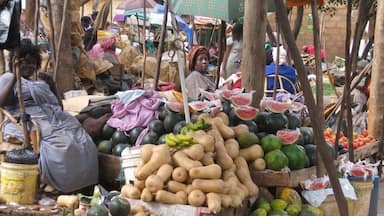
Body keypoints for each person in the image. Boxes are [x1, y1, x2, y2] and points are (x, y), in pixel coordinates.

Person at [0, 39, 98, 193]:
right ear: (16, 62)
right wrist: (15, 77)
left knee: (83, 140)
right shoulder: (7, 78)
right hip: (28, 120)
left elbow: (59, 106)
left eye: (32, 63)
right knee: (64, 144)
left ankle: (84, 183)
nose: (29, 66)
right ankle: (64, 184)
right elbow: (1, 102)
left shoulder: (39, 82)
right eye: (25, 62)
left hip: (56, 118)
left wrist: (52, 85)